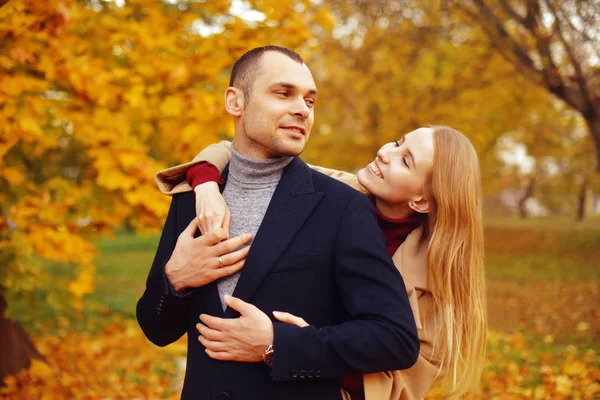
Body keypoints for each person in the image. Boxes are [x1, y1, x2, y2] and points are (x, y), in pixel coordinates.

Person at [137, 46, 420, 400]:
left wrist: (277, 344)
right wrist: (176, 280)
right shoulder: (192, 198)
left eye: (310, 101)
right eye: (283, 94)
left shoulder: (342, 206)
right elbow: (156, 328)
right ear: (235, 102)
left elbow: (396, 339)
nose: (302, 109)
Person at [155, 125, 487, 399]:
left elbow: (401, 385)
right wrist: (207, 186)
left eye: (405, 160)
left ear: (422, 200)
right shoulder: (331, 192)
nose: (385, 152)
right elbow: (233, 151)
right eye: (398, 142)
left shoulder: (438, 279)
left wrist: (295, 345)